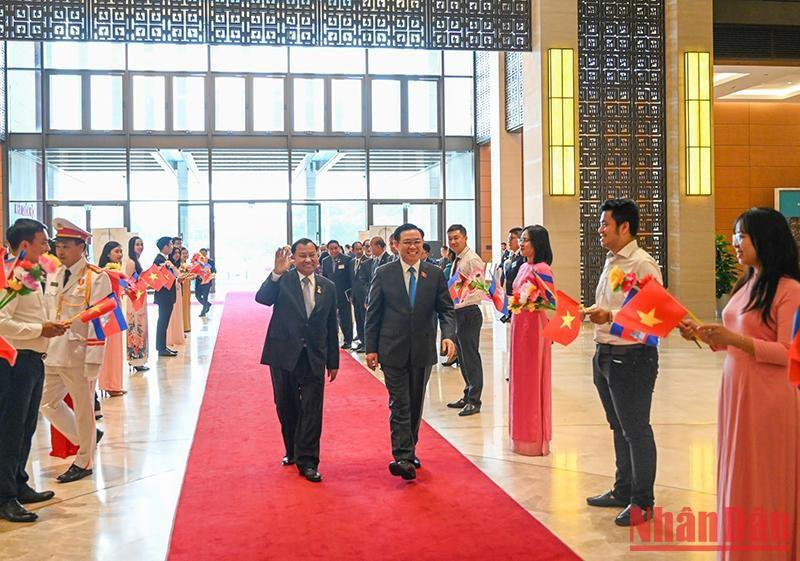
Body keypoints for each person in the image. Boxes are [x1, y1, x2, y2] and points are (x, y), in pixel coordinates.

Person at [680, 208, 800, 560]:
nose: (735, 242)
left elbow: (789, 352)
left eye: (742, 236)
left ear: (765, 239)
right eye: (734, 234)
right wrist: (705, 335)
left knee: (764, 478)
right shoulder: (748, 282)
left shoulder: (789, 290)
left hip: (768, 396)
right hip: (736, 390)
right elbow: (735, 338)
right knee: (740, 474)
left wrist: (735, 339)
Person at [583, 199, 663, 527]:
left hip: (632, 358)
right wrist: (594, 311)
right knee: (618, 426)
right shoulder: (613, 261)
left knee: (636, 430)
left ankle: (642, 501)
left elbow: (654, 316)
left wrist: (610, 315)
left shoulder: (642, 264)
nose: (599, 229)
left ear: (624, 227)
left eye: (605, 224)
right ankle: (623, 488)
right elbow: (615, 303)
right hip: (605, 354)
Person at [365, 223, 457, 481]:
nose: (413, 246)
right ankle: (403, 456)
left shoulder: (434, 273)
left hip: (422, 349)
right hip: (391, 349)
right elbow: (374, 313)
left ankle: (410, 447)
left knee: (415, 402)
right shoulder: (384, 273)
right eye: (407, 242)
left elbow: (446, 309)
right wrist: (371, 348)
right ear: (396, 244)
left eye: (417, 241)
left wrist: (448, 337)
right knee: (400, 402)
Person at [0, 219, 68, 522]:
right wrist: (40, 328)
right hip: (15, 361)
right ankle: (5, 497)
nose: (48, 248)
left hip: (34, 358)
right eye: (43, 242)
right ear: (25, 244)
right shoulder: (9, 277)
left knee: (26, 427)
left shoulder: (30, 274)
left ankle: (18, 481)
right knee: (10, 430)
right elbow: (2, 322)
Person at [255, 239, 339, 483]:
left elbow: (331, 326)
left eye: (312, 255)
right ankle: (292, 450)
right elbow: (262, 299)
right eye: (302, 255)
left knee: (312, 409)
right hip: (283, 354)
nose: (308, 260)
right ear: (293, 257)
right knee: (286, 405)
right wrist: (276, 273)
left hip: (313, 356)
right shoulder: (283, 281)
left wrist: (333, 361)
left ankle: (309, 460)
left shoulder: (328, 286)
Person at [41, 218, 113, 483]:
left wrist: (94, 358)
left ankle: (84, 460)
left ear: (82, 247)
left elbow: (99, 319)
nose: (60, 251)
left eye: (66, 246)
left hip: (78, 354)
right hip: (51, 351)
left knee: (84, 408)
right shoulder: (54, 274)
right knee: (46, 403)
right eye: (58, 245)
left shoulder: (96, 277)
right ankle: (88, 438)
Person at [508, 226, 554, 456]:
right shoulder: (523, 266)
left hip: (535, 328)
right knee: (519, 379)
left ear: (538, 243)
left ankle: (534, 438)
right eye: (521, 240)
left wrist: (531, 302)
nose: (521, 243)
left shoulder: (543, 268)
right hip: (519, 325)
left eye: (526, 240)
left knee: (532, 380)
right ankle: (519, 434)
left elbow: (551, 301)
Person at [445, 224, 486, 417]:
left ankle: (474, 400)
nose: (453, 242)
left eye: (456, 238)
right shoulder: (457, 259)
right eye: (450, 239)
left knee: (471, 358)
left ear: (465, 238)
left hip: (468, 312)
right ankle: (467, 393)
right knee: (462, 358)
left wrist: (459, 301)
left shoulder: (472, 259)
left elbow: (478, 289)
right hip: (457, 313)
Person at [97, 241, 126, 397]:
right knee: (110, 349)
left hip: (117, 309)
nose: (120, 254)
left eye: (121, 251)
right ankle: (109, 384)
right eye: (117, 251)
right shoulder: (106, 271)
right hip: (110, 312)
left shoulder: (116, 271)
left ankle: (115, 383)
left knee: (115, 348)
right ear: (108, 254)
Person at [321, 240, 354, 349]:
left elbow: (351, 278)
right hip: (330, 294)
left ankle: (348, 340)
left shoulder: (347, 260)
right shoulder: (325, 261)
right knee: (330, 317)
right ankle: (331, 339)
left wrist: (351, 293)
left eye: (336, 248)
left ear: (339, 248)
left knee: (345, 317)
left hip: (344, 293)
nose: (334, 250)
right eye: (331, 248)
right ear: (328, 250)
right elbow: (324, 278)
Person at [125, 236, 149, 372]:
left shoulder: (136, 261)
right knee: (135, 327)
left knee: (140, 326)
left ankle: (138, 359)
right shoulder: (131, 262)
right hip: (135, 299)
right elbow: (129, 283)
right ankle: (135, 359)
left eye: (141, 244)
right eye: (137, 244)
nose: (140, 247)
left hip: (140, 297)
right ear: (131, 247)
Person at [153, 237, 177, 357]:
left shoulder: (165, 259)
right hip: (164, 295)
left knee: (164, 321)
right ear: (166, 246)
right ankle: (161, 348)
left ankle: (162, 346)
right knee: (162, 321)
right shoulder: (159, 260)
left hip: (168, 295)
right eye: (171, 245)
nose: (172, 247)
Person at [348, 241, 368, 352]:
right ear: (353, 251)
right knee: (358, 318)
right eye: (357, 249)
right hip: (355, 295)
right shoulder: (351, 263)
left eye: (361, 249)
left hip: (364, 296)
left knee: (365, 319)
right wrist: (351, 294)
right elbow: (351, 280)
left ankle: (366, 342)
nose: (359, 251)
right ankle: (361, 339)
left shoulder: (367, 262)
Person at [167, 247, 185, 348]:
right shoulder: (169, 263)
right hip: (173, 290)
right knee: (173, 313)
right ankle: (172, 336)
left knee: (178, 312)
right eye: (175, 253)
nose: (177, 255)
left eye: (179, 253)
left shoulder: (176, 264)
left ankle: (177, 334)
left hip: (177, 290)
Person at [195, 248, 216, 317]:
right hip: (198, 281)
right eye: (201, 253)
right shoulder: (196, 261)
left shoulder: (210, 261)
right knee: (197, 296)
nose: (203, 255)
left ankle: (203, 311)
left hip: (207, 282)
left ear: (206, 254)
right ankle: (207, 304)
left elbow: (214, 271)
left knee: (205, 297)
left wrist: (210, 275)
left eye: (204, 253)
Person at [180, 247, 191, 332]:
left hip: (187, 287)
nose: (185, 255)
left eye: (186, 253)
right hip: (181, 288)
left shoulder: (186, 264)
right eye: (183, 253)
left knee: (187, 306)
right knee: (182, 306)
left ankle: (187, 325)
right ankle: (183, 326)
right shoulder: (180, 265)